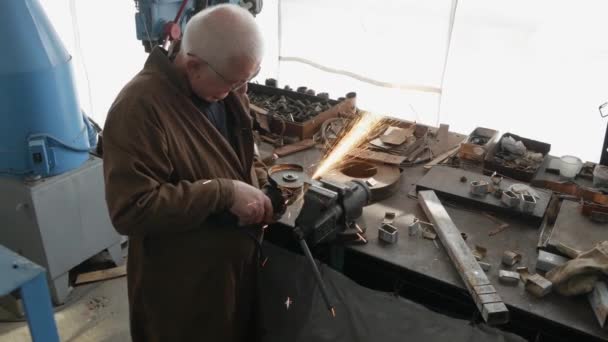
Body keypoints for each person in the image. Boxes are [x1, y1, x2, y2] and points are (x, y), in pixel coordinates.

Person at [101, 4, 272, 341]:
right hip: (183, 292)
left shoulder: (222, 85)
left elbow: (238, 151)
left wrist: (260, 183)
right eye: (233, 83)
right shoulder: (139, 108)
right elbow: (132, 208)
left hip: (228, 278)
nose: (239, 90)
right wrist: (223, 192)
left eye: (245, 80)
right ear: (193, 65)